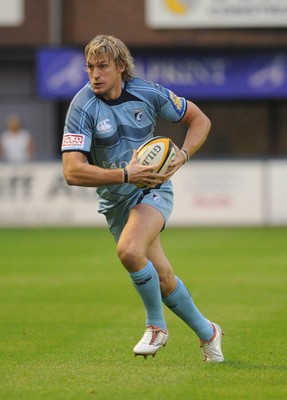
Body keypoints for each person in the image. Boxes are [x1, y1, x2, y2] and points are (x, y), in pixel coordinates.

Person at [61, 34, 224, 362]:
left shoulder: (147, 92)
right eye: (90, 67)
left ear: (121, 67)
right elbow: (72, 171)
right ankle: (209, 333)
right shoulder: (82, 106)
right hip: (115, 200)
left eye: (103, 67)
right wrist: (123, 175)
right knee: (162, 279)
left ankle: (156, 326)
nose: (95, 74)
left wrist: (184, 155)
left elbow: (199, 119)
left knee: (130, 250)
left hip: (152, 187)